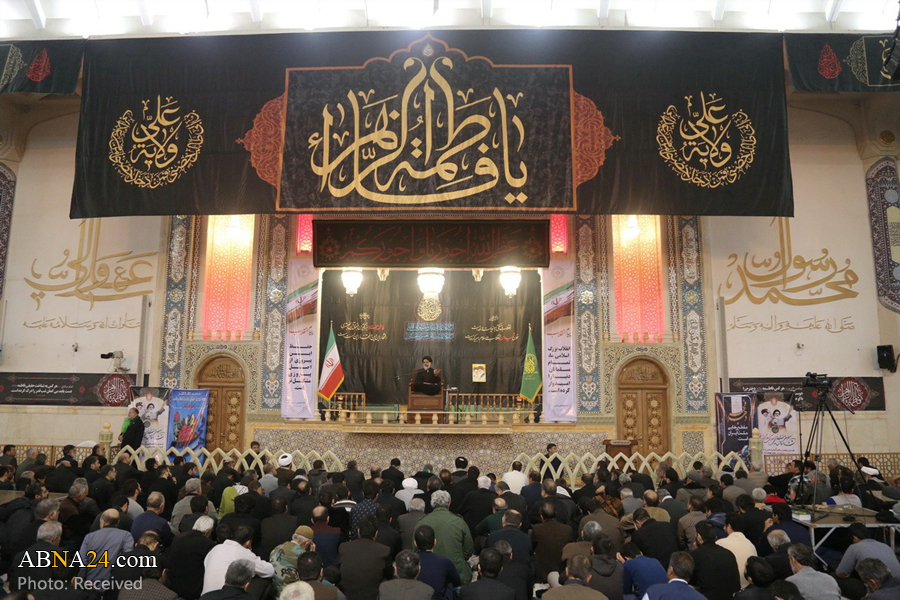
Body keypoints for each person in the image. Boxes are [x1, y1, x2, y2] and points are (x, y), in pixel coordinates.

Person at [417, 490, 475, 583]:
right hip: (457, 572)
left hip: (427, 573)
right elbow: (468, 549)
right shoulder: (459, 521)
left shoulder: (422, 522)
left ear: (432, 504)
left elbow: (415, 549)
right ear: (449, 503)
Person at [78, 509, 135, 590]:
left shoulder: (89, 537)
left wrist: (81, 582)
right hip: (113, 586)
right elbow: (128, 560)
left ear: (103, 521)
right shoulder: (126, 536)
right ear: (118, 522)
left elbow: (82, 561)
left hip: (90, 585)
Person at [339, 516, 393, 600]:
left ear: (358, 531)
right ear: (376, 534)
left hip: (347, 596)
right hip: (373, 596)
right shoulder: (384, 550)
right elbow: (390, 574)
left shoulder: (344, 547)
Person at [167, 515, 217, 599]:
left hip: (173, 584)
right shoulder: (208, 544)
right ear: (208, 531)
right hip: (193, 589)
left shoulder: (178, 538)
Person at [690, 521, 741, 600]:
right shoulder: (728, 553)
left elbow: (690, 581)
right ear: (715, 537)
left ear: (699, 537)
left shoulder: (695, 555)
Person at [415, 524, 462, 600]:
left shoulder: (412, 562)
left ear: (415, 543)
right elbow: (457, 582)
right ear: (435, 542)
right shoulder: (444, 561)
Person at [531, 502, 572, 583]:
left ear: (541, 516)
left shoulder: (536, 529)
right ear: (556, 513)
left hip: (542, 571)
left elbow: (532, 548)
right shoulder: (567, 529)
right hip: (561, 569)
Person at [716, 512, 757, 588]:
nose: (723, 528)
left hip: (728, 588)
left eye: (725, 525)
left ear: (729, 527)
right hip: (749, 588)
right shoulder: (751, 545)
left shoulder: (720, 543)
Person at [270, 525, 315, 596]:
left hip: (275, 593)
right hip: (293, 595)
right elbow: (311, 575)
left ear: (293, 536)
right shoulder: (302, 555)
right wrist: (311, 555)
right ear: (307, 543)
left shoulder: (276, 548)